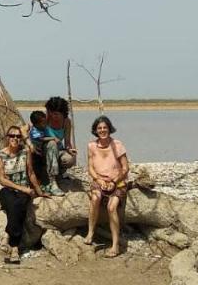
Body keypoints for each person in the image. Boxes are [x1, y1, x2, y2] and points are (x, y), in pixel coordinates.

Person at [84, 115, 129, 255]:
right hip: (99, 180)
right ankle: (90, 232)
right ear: (95, 130)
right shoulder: (91, 146)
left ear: (109, 129)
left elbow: (125, 168)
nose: (102, 130)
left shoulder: (117, 145)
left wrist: (114, 181)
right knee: (95, 198)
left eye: (105, 128)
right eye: (99, 128)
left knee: (111, 207)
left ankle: (115, 245)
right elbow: (90, 167)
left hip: (118, 181)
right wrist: (98, 179)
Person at [0, 124, 39, 263]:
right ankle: (14, 247)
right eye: (12, 136)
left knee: (18, 205)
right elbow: (1, 179)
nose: (15, 138)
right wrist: (22, 188)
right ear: (7, 138)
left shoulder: (25, 152)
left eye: (18, 136)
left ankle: (10, 240)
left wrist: (39, 191)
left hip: (23, 190)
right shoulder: (0, 154)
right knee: (14, 204)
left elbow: (30, 172)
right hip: (6, 189)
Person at [31, 96, 77, 195]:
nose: (53, 116)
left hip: (58, 151)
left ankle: (58, 173)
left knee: (70, 159)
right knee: (52, 143)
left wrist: (70, 150)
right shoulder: (44, 119)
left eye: (56, 114)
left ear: (63, 113)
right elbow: (30, 129)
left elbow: (67, 142)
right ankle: (52, 182)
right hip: (43, 152)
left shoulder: (66, 122)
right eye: (51, 112)